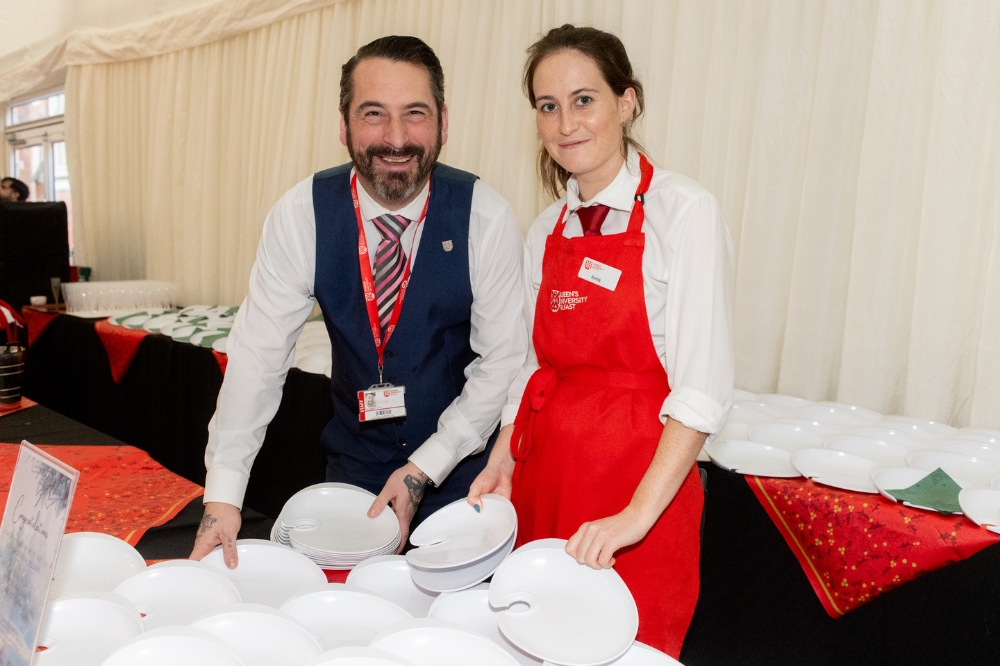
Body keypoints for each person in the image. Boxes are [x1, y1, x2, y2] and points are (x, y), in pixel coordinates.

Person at [191, 35, 527, 568]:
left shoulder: (486, 217)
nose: (396, 138)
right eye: (374, 114)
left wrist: (426, 467)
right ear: (344, 125)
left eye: (414, 113)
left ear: (443, 121)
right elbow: (257, 360)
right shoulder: (300, 215)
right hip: (354, 476)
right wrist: (224, 496)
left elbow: (503, 363)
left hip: (463, 475)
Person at [467, 25, 734, 657]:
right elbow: (536, 363)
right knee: (536, 639)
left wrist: (635, 519)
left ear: (627, 101)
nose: (566, 123)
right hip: (548, 475)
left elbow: (702, 389)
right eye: (548, 106)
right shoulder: (544, 230)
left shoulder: (683, 213)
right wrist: (504, 457)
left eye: (584, 99)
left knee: (625, 643)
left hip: (640, 483)